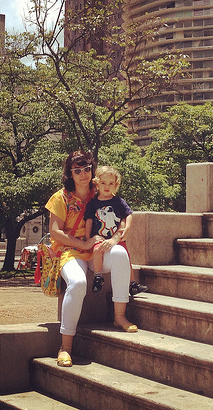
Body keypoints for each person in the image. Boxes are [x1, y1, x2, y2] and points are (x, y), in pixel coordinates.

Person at [46, 151, 138, 368]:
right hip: (71, 251)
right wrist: (84, 244)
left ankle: (119, 316)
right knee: (78, 283)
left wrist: (115, 238)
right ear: (70, 173)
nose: (83, 174)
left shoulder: (100, 192)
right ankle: (65, 347)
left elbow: (122, 213)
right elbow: (55, 232)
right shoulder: (61, 197)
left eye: (87, 169)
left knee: (120, 254)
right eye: (77, 170)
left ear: (92, 171)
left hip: (97, 250)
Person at [85, 165, 147, 296]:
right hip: (99, 237)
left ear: (115, 185)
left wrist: (127, 227)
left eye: (111, 183)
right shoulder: (93, 203)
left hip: (115, 238)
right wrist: (88, 238)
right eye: (103, 183)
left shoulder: (118, 201)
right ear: (97, 184)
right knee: (97, 251)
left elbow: (129, 214)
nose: (107, 186)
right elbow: (89, 221)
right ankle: (98, 277)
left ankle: (132, 283)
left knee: (125, 256)